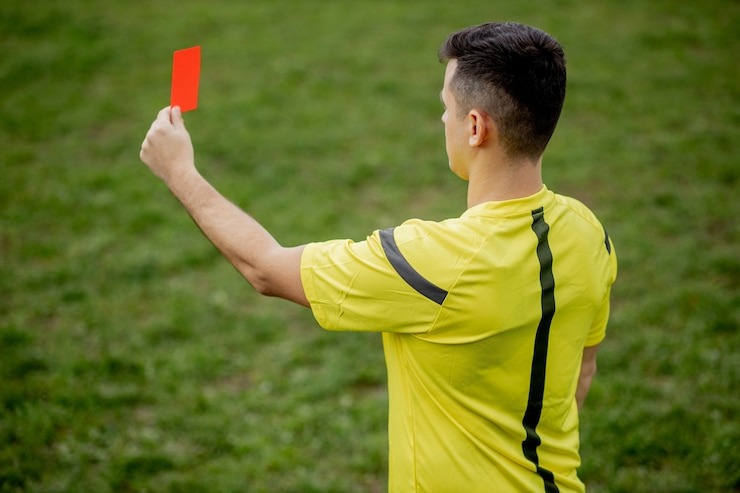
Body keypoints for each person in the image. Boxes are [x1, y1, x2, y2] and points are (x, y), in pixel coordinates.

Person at [140, 22, 617, 493]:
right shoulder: (589, 233)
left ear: (475, 127)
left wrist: (179, 171)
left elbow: (266, 268)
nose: (442, 121)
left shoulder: (436, 264)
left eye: (446, 108)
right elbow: (582, 372)